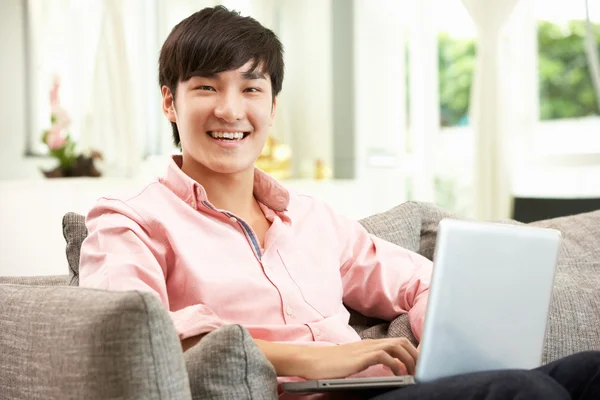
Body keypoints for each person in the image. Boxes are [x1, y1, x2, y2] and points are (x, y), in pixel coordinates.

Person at [79, 6, 600, 400]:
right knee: (522, 394)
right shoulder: (128, 221)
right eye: (206, 88)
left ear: (273, 105)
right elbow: (138, 334)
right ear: (170, 100)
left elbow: (420, 282)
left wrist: (447, 341)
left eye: (251, 88)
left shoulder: (311, 218)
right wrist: (322, 359)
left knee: (590, 369)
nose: (230, 109)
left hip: (379, 389)